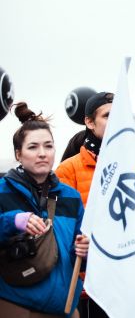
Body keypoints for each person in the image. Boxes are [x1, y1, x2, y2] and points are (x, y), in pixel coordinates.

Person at [56, 92, 135, 318]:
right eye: (108, 115)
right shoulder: (67, 170)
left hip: (129, 279)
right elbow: (61, 231)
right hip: (90, 284)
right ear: (89, 122)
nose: (115, 121)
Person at [0, 102, 88, 317]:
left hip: (64, 308)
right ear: (18, 154)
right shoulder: (2, 190)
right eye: (33, 147)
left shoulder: (71, 197)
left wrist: (86, 252)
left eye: (48, 146)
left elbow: (76, 254)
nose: (42, 153)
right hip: (15, 305)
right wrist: (13, 221)